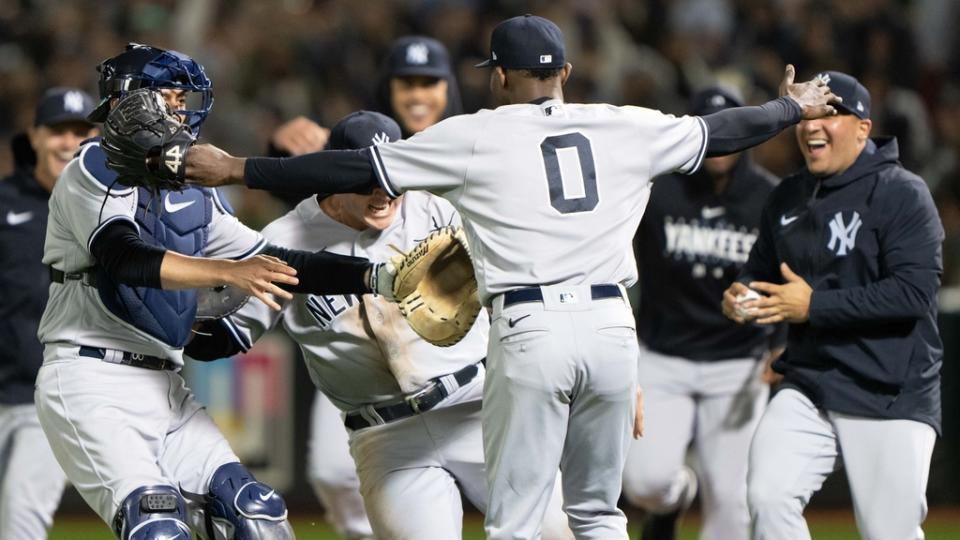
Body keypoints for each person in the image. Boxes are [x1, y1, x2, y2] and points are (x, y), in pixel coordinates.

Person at [180, 14, 838, 538]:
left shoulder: (475, 137)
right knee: (599, 518)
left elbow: (346, 170)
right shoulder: (623, 125)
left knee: (517, 528)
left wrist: (239, 168)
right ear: (567, 73)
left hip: (529, 331)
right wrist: (789, 108)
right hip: (609, 325)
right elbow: (721, 131)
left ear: (498, 77)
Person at [34, 44, 381, 540]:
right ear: (130, 101)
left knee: (260, 519)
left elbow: (278, 263)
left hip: (165, 383)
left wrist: (376, 277)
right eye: (170, 96)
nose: (182, 108)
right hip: (90, 379)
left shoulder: (194, 187)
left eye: (184, 97)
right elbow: (123, 257)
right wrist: (226, 270)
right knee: (157, 528)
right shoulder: (91, 166)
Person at [188, 110, 572, 540]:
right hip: (387, 438)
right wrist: (183, 302)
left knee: (560, 532)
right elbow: (226, 336)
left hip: (478, 409)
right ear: (333, 173)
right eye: (365, 179)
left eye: (391, 179)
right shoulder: (286, 238)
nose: (382, 193)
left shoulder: (439, 210)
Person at [721, 71, 944, 539]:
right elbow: (760, 269)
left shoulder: (901, 192)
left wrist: (815, 306)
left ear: (863, 128)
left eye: (831, 113)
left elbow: (914, 293)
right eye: (807, 113)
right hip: (810, 382)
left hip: (888, 389)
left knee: (889, 533)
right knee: (768, 496)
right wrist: (744, 294)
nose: (812, 125)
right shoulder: (787, 195)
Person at [265, 36, 468, 539]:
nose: (418, 92)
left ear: (449, 89)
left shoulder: (469, 146)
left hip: (471, 384)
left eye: (430, 82)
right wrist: (274, 153)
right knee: (333, 472)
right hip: (367, 380)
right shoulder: (364, 139)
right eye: (407, 82)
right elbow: (297, 191)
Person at [621, 87, 783, 540]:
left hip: (738, 363)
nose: (721, 145)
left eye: (727, 132)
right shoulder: (657, 189)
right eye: (711, 132)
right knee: (645, 483)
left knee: (733, 506)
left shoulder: (769, 196)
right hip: (663, 355)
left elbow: (789, 272)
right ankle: (676, 498)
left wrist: (781, 341)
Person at [0, 87, 97, 540]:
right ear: (35, 136)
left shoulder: (107, 211)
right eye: (59, 130)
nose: (69, 141)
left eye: (81, 132)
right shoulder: (4, 203)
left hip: (49, 395)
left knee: (22, 522)